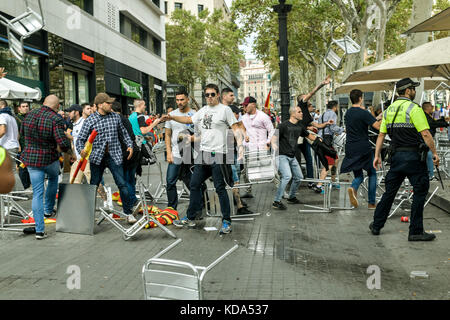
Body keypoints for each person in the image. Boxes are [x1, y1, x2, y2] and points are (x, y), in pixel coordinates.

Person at [167, 83, 244, 234]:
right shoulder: (203, 111)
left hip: (218, 154)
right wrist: (170, 117)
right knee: (194, 184)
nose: (209, 97)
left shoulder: (225, 110)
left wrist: (240, 147)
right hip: (203, 154)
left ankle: (226, 221)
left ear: (218, 95)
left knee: (219, 188)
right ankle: (190, 217)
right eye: (206, 95)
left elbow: (235, 129)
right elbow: (189, 121)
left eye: (212, 94)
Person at [370, 78, 439, 242]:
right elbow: (425, 134)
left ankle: (376, 225)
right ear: (408, 91)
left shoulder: (389, 110)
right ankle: (415, 231)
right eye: (413, 89)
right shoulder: (414, 109)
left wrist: (376, 155)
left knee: (389, 193)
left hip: (396, 159)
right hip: (414, 158)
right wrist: (434, 153)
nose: (415, 92)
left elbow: (381, 135)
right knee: (420, 192)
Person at [76, 93, 137, 224]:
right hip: (97, 158)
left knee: (122, 184)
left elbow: (124, 133)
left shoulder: (116, 117)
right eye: (108, 103)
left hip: (114, 155)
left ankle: (128, 213)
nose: (111, 105)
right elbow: (80, 139)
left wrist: (129, 145)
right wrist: (81, 149)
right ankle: (89, 214)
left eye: (111, 103)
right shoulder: (90, 120)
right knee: (93, 185)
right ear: (99, 105)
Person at [20, 95, 72, 239]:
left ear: (43, 103)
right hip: (49, 158)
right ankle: (48, 210)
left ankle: (39, 230)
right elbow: (62, 142)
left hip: (31, 158)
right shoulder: (55, 119)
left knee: (37, 193)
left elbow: (22, 134)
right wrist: (69, 151)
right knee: (54, 178)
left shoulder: (29, 115)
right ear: (57, 107)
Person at [272, 105, 326, 210]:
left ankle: (291, 197)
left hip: (292, 156)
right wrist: (273, 145)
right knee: (287, 176)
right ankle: (276, 201)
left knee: (299, 177)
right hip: (282, 155)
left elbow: (309, 136)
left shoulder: (300, 126)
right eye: (299, 112)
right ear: (293, 114)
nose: (302, 113)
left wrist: (319, 141)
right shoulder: (283, 126)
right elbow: (274, 138)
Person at [340, 89, 382, 209]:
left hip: (350, 146)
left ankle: (353, 188)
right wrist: (382, 118)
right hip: (363, 147)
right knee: (372, 173)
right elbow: (377, 126)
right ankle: (371, 202)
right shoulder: (364, 113)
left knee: (358, 174)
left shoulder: (348, 113)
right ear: (360, 98)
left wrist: (374, 117)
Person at [296, 76, 333, 188]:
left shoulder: (307, 114)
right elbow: (312, 93)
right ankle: (296, 179)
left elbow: (317, 125)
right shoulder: (301, 105)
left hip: (304, 137)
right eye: (305, 97)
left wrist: (327, 123)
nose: (308, 97)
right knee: (296, 159)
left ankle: (311, 181)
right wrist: (322, 84)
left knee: (309, 158)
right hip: (296, 137)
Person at [165, 90, 196, 210]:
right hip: (176, 154)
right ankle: (172, 209)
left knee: (193, 182)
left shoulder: (194, 114)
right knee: (170, 182)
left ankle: (199, 205)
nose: (179, 102)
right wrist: (168, 152)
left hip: (190, 153)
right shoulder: (171, 115)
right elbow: (167, 135)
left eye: (182, 99)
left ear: (187, 99)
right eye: (177, 100)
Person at [240, 96, 275, 198]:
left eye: (246, 105)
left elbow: (271, 130)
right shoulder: (244, 117)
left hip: (263, 147)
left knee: (271, 168)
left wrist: (268, 142)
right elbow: (243, 130)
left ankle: (280, 189)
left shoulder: (263, 116)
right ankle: (248, 189)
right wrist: (244, 137)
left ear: (253, 105)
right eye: (244, 106)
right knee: (245, 170)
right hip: (250, 148)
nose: (244, 107)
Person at [312, 101, 344, 194]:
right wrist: (342, 130)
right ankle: (319, 185)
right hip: (326, 140)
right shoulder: (333, 113)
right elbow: (332, 127)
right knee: (329, 163)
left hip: (321, 139)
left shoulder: (322, 114)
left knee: (336, 159)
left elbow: (320, 127)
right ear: (335, 107)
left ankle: (333, 180)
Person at [111, 101, 140, 206]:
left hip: (125, 153)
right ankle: (133, 200)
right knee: (130, 179)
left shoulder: (117, 120)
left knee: (125, 180)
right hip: (133, 152)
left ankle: (130, 202)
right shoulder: (125, 119)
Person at [422, 101, 449, 181]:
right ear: (428, 108)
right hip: (426, 138)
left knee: (428, 155)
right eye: (431, 106)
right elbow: (433, 124)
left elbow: (435, 122)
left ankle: (429, 174)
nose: (432, 108)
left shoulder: (429, 115)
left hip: (427, 138)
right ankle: (431, 175)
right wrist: (445, 123)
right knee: (429, 154)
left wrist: (444, 121)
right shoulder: (425, 116)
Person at [67, 104, 91, 184]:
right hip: (78, 159)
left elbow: (89, 140)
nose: (68, 113)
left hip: (86, 159)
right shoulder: (74, 124)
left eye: (70, 111)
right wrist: (73, 153)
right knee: (73, 183)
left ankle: (105, 196)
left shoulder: (84, 123)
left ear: (76, 112)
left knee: (92, 183)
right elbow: (75, 140)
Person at [14, 101, 31, 189]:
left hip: (31, 147)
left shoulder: (31, 117)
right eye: (23, 106)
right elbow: (16, 133)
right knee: (22, 167)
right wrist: (19, 146)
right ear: (19, 108)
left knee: (30, 167)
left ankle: (28, 185)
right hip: (22, 147)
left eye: (27, 106)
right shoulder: (17, 118)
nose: (25, 108)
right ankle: (24, 186)